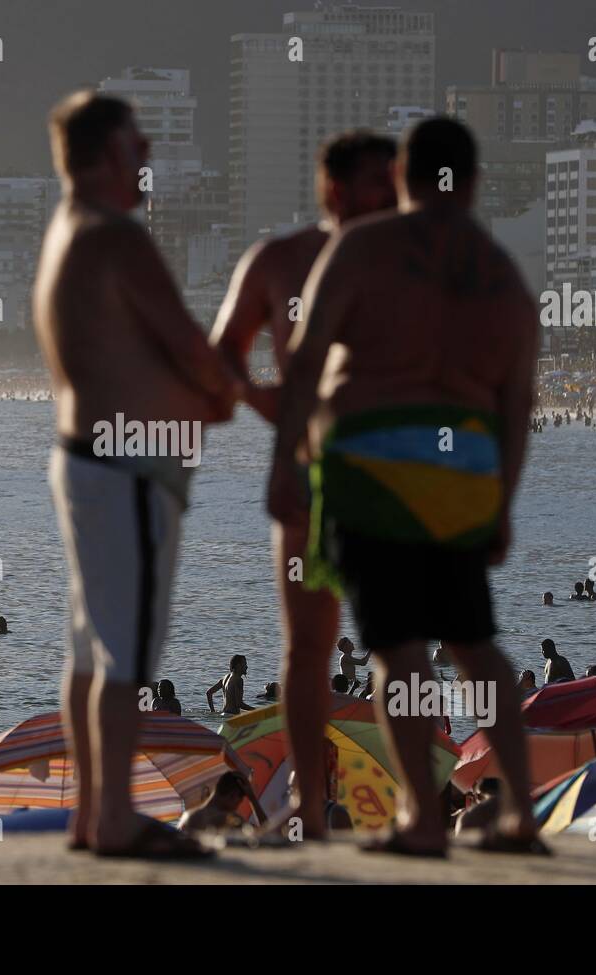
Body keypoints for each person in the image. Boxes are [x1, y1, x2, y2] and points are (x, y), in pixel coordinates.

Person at [268, 118, 543, 857]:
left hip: (372, 474)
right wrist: (503, 503)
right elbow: (517, 405)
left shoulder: (364, 248)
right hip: (462, 476)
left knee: (396, 650)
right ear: (473, 181)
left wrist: (281, 465)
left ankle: (422, 816)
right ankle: (520, 813)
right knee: (477, 647)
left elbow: (305, 361)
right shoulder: (502, 274)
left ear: (401, 179)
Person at [36, 91, 237, 858]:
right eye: (136, 144)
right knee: (123, 653)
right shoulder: (117, 237)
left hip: (89, 457)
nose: (147, 154)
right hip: (125, 466)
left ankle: (93, 815)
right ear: (106, 156)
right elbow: (192, 348)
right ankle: (114, 817)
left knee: (89, 648)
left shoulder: (66, 231)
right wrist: (225, 390)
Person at [212, 131, 396, 840]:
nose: (391, 196)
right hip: (309, 468)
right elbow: (224, 354)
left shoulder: (406, 265)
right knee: (307, 646)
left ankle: (411, 803)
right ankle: (312, 808)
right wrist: (272, 406)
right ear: (335, 190)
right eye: (378, 183)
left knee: (397, 641)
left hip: (390, 467)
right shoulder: (280, 261)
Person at [178, 771, 267, 834]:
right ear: (232, 795)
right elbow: (267, 834)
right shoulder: (229, 820)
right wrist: (252, 798)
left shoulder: (186, 816)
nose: (236, 808)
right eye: (239, 802)